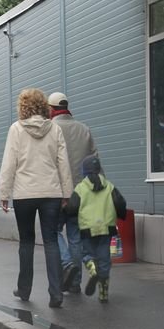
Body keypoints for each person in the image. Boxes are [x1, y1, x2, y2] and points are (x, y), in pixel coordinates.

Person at [0, 88, 73, 308]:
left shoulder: (16, 129)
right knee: (51, 240)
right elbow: (63, 163)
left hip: (24, 194)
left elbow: (9, 162)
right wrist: (66, 192)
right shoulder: (55, 129)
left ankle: (24, 289)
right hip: (51, 193)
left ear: (23, 107)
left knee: (26, 241)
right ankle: (56, 293)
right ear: (43, 106)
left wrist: (4, 193)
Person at [48, 92, 99, 294]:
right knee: (75, 237)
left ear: (51, 109)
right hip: (82, 193)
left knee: (52, 232)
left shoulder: (51, 129)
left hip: (58, 192)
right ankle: (75, 282)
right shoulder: (84, 129)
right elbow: (95, 161)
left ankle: (68, 264)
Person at [65, 155, 127, 303]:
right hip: (106, 228)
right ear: (99, 170)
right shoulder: (109, 186)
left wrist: (66, 214)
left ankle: (92, 268)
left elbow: (72, 208)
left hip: (87, 229)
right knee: (104, 259)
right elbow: (120, 202)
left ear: (84, 172)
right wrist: (122, 215)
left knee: (86, 253)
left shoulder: (81, 188)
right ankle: (104, 293)